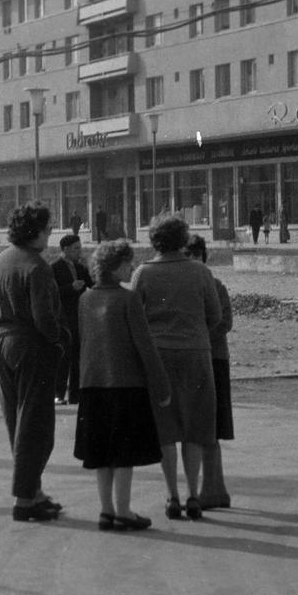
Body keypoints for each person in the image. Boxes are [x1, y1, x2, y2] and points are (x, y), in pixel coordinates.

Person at [72, 239, 170, 532]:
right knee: (124, 453)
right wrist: (161, 386)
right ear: (114, 268)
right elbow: (145, 346)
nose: (131, 267)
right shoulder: (129, 300)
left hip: (92, 385)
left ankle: (106, 510)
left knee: (100, 453)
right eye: (127, 263)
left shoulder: (84, 299)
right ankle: (124, 511)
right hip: (126, 385)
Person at [129, 215, 222, 521]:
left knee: (165, 428)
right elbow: (215, 316)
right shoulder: (200, 271)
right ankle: (193, 495)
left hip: (159, 357)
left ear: (154, 240)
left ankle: (172, 495)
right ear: (182, 239)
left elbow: (134, 319)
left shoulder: (142, 273)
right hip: (196, 354)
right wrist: (194, 333)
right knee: (194, 427)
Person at [0, 201, 66, 522]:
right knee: (37, 426)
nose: (50, 233)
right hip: (32, 347)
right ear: (35, 231)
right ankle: (24, 500)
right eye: (47, 228)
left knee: (16, 422)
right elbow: (45, 318)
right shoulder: (37, 266)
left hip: (2, 345)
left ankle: (35, 492)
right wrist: (59, 339)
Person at [186, 234, 234, 510]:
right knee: (203, 427)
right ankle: (215, 489)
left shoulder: (217, 286)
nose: (194, 260)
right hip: (200, 358)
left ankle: (213, 489)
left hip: (214, 359)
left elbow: (225, 322)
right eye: (189, 256)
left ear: (204, 257)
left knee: (210, 426)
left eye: (197, 255)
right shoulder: (187, 287)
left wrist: (198, 337)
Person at [51, 234, 92, 405]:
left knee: (77, 357)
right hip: (63, 317)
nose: (79, 251)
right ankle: (58, 394)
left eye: (80, 248)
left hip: (79, 316)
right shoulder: (54, 267)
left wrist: (89, 266)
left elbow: (93, 284)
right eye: (76, 249)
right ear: (65, 249)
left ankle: (75, 395)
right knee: (63, 357)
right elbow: (52, 292)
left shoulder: (80, 267)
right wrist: (70, 287)